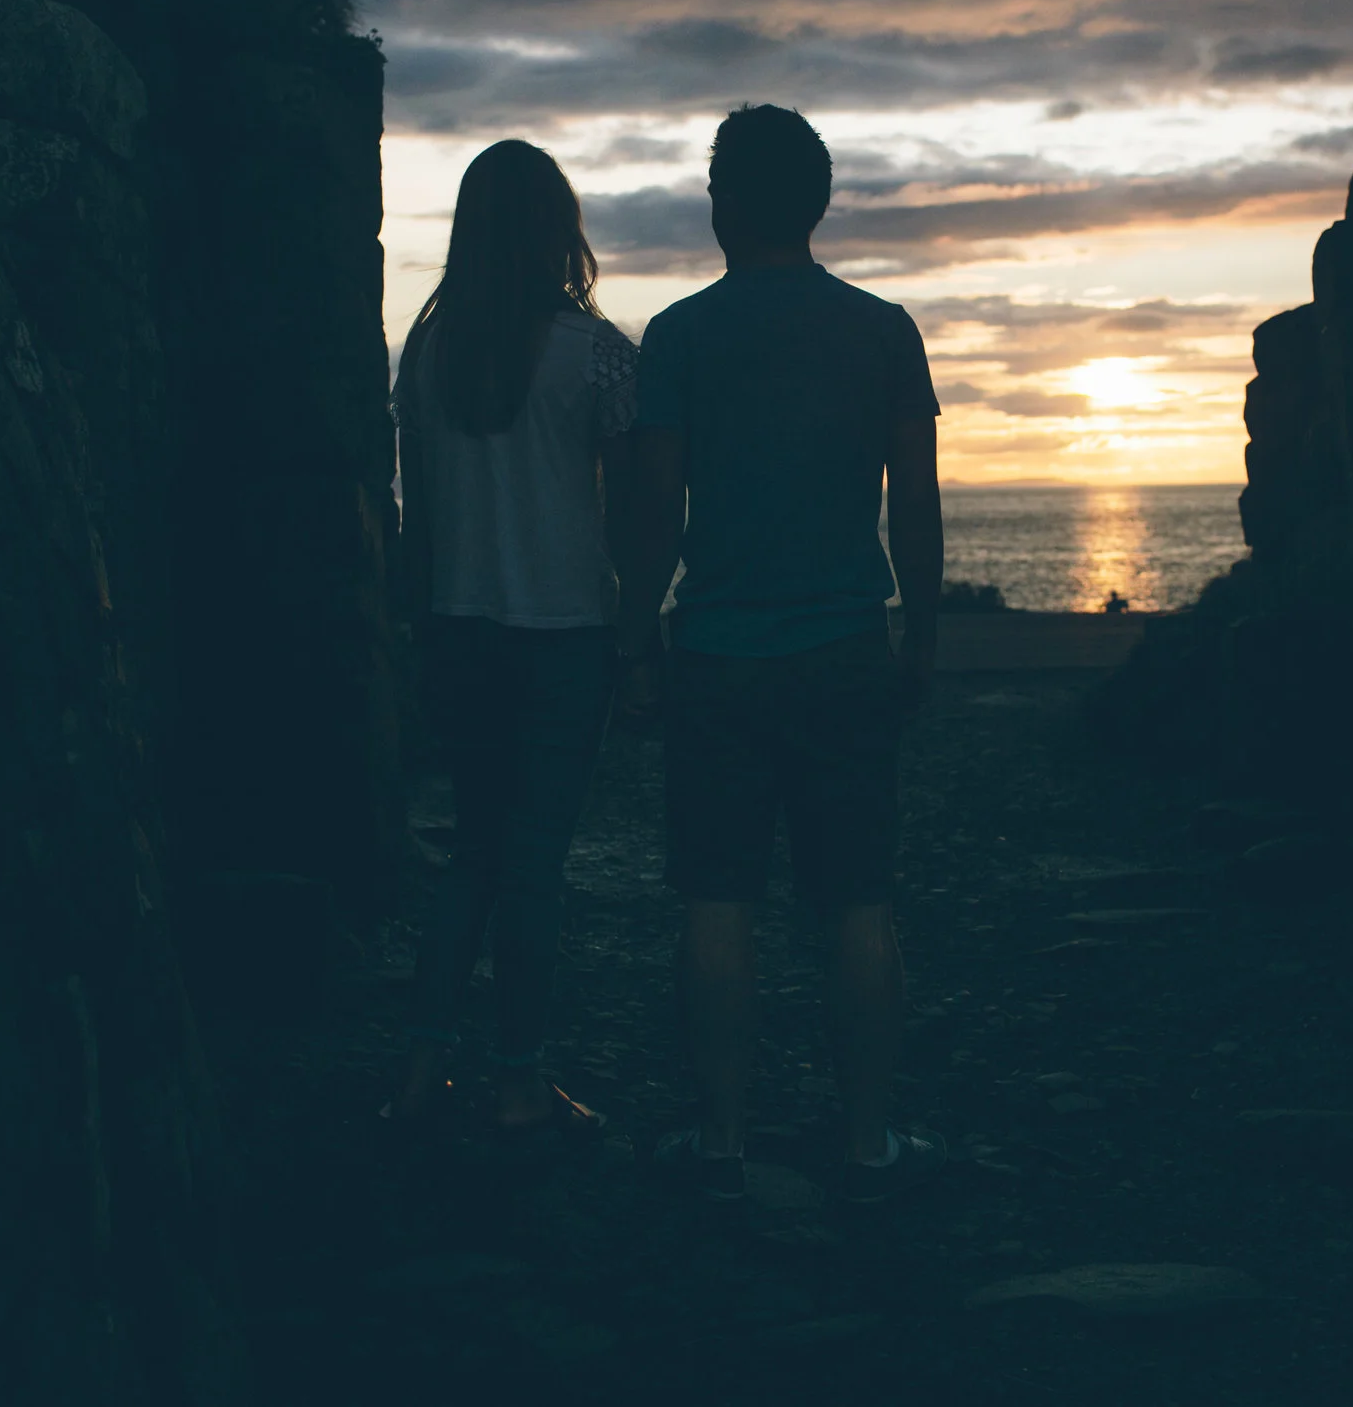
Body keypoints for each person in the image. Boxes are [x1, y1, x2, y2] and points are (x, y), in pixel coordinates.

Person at [620, 104, 948, 1203]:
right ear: (816, 204)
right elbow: (917, 503)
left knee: (717, 897)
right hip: (848, 640)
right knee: (857, 898)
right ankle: (867, 1140)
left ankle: (721, 1138)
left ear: (721, 204)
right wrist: (924, 630)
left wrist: (635, 634)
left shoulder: (676, 337)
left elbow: (654, 509)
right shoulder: (882, 329)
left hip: (717, 649)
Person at [388, 139, 638, 1140]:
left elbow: (414, 523)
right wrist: (643, 629)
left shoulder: (425, 352)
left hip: (457, 634)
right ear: (556, 227)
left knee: (473, 857)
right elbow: (633, 512)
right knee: (533, 864)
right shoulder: (599, 353)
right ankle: (523, 1081)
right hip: (565, 636)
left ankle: (418, 1066)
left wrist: (415, 638)